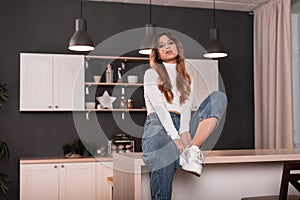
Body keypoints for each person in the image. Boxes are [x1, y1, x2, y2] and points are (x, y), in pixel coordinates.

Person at [142, 31, 227, 200]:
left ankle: (192, 150)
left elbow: (187, 107)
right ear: (157, 53)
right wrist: (175, 137)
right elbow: (160, 108)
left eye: (170, 43)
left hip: (183, 124)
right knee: (163, 155)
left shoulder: (187, 77)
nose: (167, 47)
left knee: (218, 97)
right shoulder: (151, 74)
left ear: (177, 47)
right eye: (161, 45)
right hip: (158, 125)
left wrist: (184, 131)